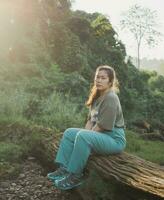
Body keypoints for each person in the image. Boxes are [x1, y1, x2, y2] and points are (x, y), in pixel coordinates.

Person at [47, 65, 126, 190]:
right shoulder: (97, 96)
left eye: (103, 78)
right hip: (101, 135)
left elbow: (102, 126)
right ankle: (64, 168)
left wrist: (84, 140)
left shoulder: (111, 98)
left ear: (110, 81)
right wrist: (81, 140)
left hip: (114, 139)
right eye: (97, 77)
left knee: (83, 136)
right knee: (69, 133)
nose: (99, 80)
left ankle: (76, 176)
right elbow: (90, 121)